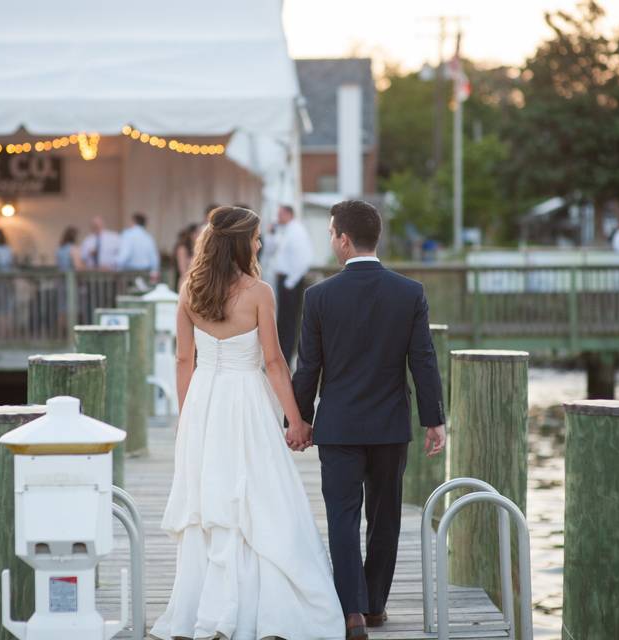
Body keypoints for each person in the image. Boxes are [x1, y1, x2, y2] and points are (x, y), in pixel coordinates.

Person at [151, 206, 345, 640]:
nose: (259, 244)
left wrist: (188, 419)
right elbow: (274, 363)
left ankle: (205, 607)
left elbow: (185, 360)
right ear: (241, 243)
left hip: (204, 399)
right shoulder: (258, 293)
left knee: (213, 498)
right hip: (246, 399)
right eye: (256, 238)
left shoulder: (190, 289)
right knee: (257, 493)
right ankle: (262, 606)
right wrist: (295, 420)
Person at [292, 200, 446, 638]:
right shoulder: (409, 292)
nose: (331, 242)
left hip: (338, 426)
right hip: (390, 426)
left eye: (331, 235)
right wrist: (434, 419)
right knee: (385, 517)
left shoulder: (318, 296)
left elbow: (308, 368)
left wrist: (300, 420)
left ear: (343, 238)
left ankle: (352, 612)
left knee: (342, 516)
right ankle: (375, 605)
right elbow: (423, 361)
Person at [270, 204, 313, 363]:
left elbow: (305, 259)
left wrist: (290, 282)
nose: (277, 217)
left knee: (288, 322)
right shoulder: (286, 230)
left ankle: (286, 360)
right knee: (282, 321)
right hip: (284, 280)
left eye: (280, 214)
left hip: (290, 281)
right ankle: (282, 358)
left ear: (288, 214)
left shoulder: (297, 231)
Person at [116, 212, 160, 278]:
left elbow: (124, 256)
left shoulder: (128, 234)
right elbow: (154, 258)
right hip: (146, 273)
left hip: (130, 273)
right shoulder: (148, 237)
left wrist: (115, 264)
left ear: (134, 221)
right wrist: (155, 270)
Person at [173, 223, 198, 289]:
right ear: (191, 234)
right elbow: (182, 270)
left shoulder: (198, 249)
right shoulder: (182, 248)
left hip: (196, 282)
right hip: (186, 282)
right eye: (198, 232)